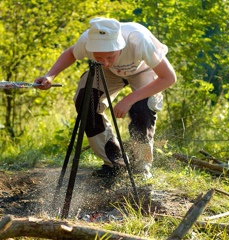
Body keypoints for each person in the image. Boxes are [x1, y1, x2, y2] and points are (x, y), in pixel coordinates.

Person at [35, 17, 177, 179]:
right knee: (85, 101)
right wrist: (50, 76)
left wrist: (129, 99)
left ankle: (141, 168)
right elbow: (70, 54)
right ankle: (115, 163)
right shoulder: (87, 40)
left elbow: (169, 78)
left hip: (142, 70)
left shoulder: (138, 39)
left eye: (110, 56)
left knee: (142, 108)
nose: (106, 62)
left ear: (120, 46)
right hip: (108, 75)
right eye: (99, 57)